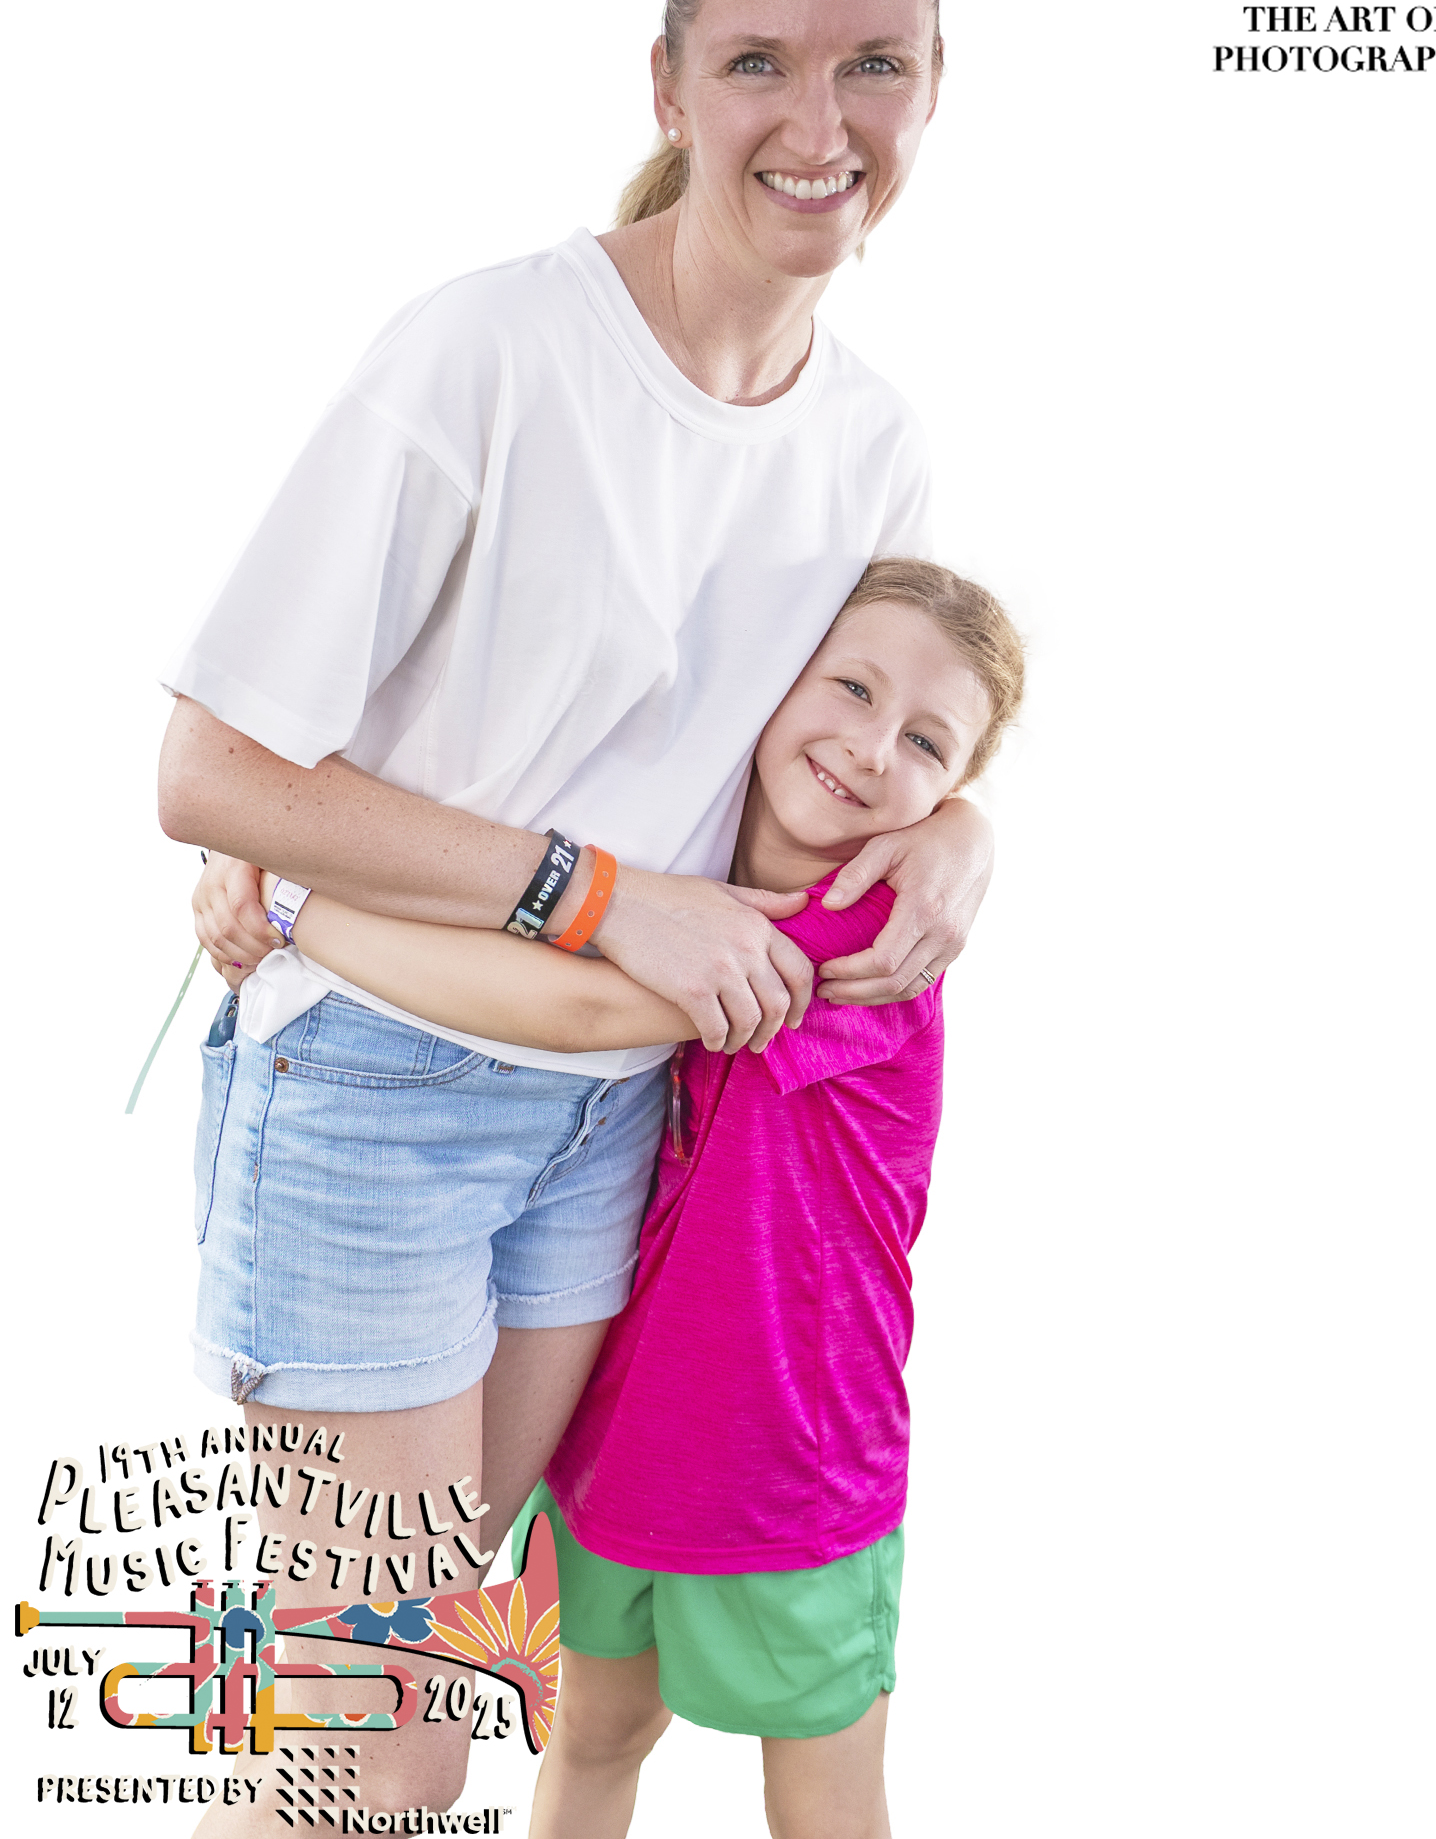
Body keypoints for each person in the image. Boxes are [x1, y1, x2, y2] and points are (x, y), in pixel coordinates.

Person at [158, 0, 987, 1825]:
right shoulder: (491, 352)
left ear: (933, 87)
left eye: (873, 65)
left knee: (441, 1670)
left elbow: (854, 749)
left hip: (619, 1135)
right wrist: (597, 893)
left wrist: (971, 831)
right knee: (383, 1741)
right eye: (759, 62)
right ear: (668, 86)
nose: (820, 125)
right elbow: (211, 773)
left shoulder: (873, 446)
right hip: (374, 1087)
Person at [274, 560, 1025, 1839]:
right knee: (594, 1736)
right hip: (615, 1440)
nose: (869, 745)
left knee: (827, 1808)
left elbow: (573, 1005)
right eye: (851, 687)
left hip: (792, 1465)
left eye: (925, 744)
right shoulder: (674, 867)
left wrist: (298, 900)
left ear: (945, 794)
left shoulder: (866, 933)